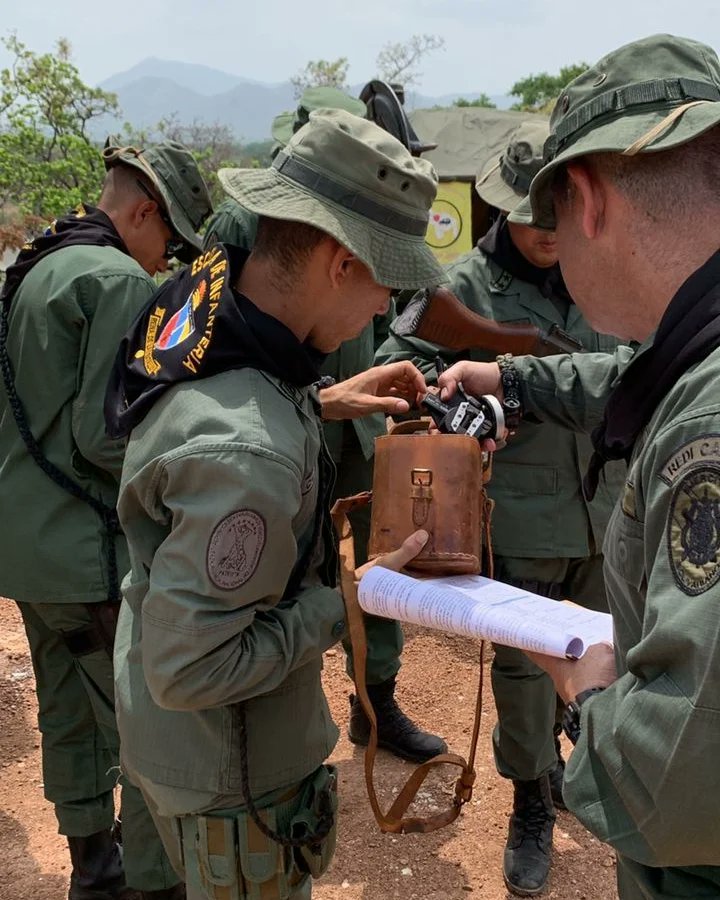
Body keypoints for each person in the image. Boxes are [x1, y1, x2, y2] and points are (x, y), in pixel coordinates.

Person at [104, 108, 447, 899]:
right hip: (236, 775)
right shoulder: (247, 448)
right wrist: (351, 603)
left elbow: (213, 429)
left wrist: (323, 402)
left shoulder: (210, 322)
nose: (380, 311)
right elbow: (195, 668)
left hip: (177, 751)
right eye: (384, 282)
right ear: (338, 261)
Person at [435, 33, 720, 899]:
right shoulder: (692, 356)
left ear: (586, 201)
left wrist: (596, 701)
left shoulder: (706, 427)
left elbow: (675, 783)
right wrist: (511, 381)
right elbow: (629, 377)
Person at [376, 118, 624, 895]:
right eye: (526, 216)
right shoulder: (462, 290)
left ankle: (583, 776)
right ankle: (529, 799)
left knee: (607, 657)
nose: (544, 232)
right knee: (522, 676)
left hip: (612, 512)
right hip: (517, 515)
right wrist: (454, 413)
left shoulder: (608, 270)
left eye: (552, 213)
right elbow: (392, 372)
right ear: (500, 209)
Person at [202, 87, 447, 765]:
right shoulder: (246, 225)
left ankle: (377, 701)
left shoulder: (362, 251)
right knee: (285, 576)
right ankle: (287, 708)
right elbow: (221, 341)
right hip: (279, 425)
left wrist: (341, 397)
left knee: (377, 568)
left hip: (346, 426)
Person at [0, 141, 212, 899]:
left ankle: (94, 870)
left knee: (67, 711)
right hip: (85, 551)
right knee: (141, 729)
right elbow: (104, 433)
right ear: (144, 213)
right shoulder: (118, 280)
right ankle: (151, 883)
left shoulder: (44, 260)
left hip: (26, 546)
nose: (169, 265)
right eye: (174, 244)